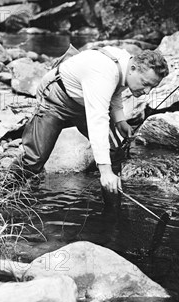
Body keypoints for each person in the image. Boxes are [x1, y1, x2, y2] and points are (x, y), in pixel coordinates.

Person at [15, 46, 169, 195]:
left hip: (84, 99)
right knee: (34, 160)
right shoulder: (103, 73)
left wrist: (120, 121)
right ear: (134, 68)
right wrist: (105, 171)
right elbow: (98, 122)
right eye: (145, 83)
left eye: (152, 87)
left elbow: (115, 91)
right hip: (55, 98)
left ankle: (112, 209)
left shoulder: (126, 66)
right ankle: (3, 191)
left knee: (114, 151)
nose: (147, 92)